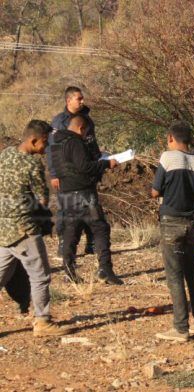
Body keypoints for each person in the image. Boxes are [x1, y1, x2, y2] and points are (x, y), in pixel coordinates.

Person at [0, 120, 72, 336]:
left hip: (3, 226)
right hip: (24, 229)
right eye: (44, 142)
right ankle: (42, 322)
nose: (45, 147)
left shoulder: (4, 154)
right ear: (33, 140)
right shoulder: (33, 165)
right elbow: (42, 198)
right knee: (40, 276)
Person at [151, 122, 194, 342]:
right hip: (190, 221)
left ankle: (180, 327)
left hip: (171, 220)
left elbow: (155, 191)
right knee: (192, 272)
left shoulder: (167, 157)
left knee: (174, 276)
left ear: (170, 139)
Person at [49, 115, 122, 284]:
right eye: (87, 131)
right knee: (100, 229)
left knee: (71, 232)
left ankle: (69, 271)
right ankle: (105, 269)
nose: (87, 135)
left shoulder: (55, 144)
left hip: (66, 193)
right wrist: (106, 164)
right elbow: (85, 167)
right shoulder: (76, 142)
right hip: (84, 194)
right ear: (81, 128)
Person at [48, 86, 98, 256]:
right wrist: (54, 174)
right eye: (79, 98)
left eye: (83, 98)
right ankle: (64, 245)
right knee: (66, 208)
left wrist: (99, 161)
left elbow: (92, 142)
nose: (82, 101)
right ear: (68, 100)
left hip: (86, 169)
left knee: (91, 205)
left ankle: (91, 243)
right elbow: (52, 150)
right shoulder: (59, 122)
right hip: (67, 172)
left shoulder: (87, 120)